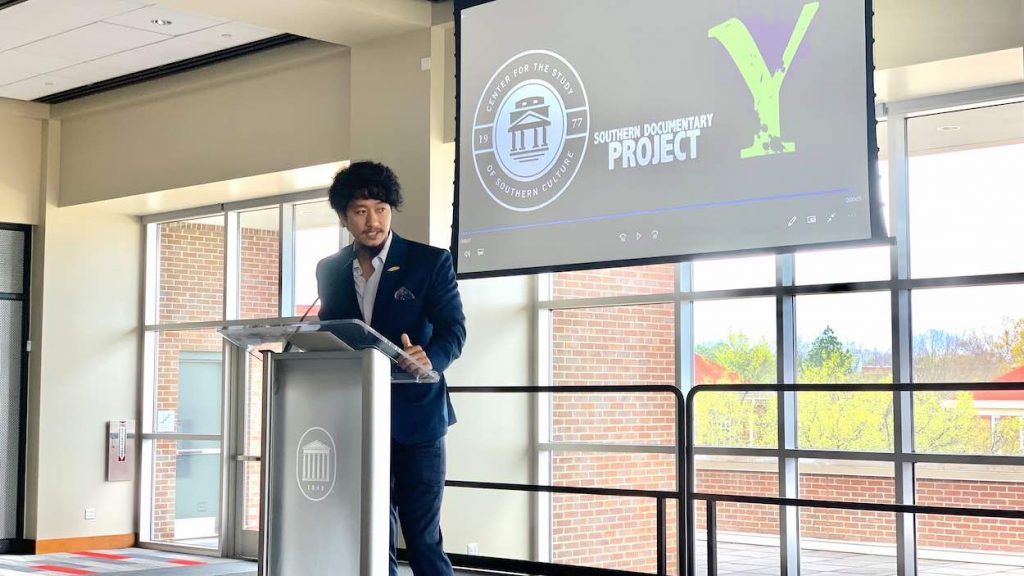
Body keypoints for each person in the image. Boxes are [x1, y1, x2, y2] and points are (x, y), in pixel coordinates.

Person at [316, 161, 466, 576]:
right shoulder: (329, 270)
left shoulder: (429, 262)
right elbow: (336, 330)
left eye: (380, 208)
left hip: (419, 416)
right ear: (345, 216)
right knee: (372, 532)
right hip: (361, 416)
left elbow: (454, 330)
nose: (373, 221)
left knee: (422, 537)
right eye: (361, 210)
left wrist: (428, 358)